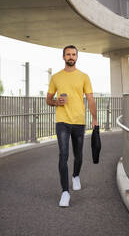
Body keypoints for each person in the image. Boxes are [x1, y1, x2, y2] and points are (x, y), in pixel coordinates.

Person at [46, 45, 98, 207]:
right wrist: (56, 102)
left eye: (73, 54)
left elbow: (90, 99)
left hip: (79, 121)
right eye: (68, 54)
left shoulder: (84, 77)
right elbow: (48, 99)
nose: (71, 57)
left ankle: (76, 175)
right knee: (63, 155)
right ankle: (65, 192)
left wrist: (94, 118)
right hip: (62, 121)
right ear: (63, 57)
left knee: (79, 155)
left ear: (77, 57)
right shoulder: (56, 77)